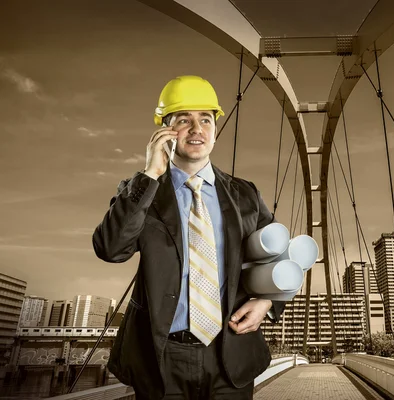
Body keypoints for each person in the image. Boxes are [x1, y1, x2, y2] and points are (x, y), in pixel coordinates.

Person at [93, 75, 285, 399]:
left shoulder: (245, 194)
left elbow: (280, 257)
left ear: (214, 130)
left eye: (205, 119)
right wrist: (150, 174)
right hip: (161, 359)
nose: (197, 129)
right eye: (184, 119)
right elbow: (110, 248)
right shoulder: (141, 191)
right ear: (165, 130)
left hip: (231, 353)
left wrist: (267, 302)